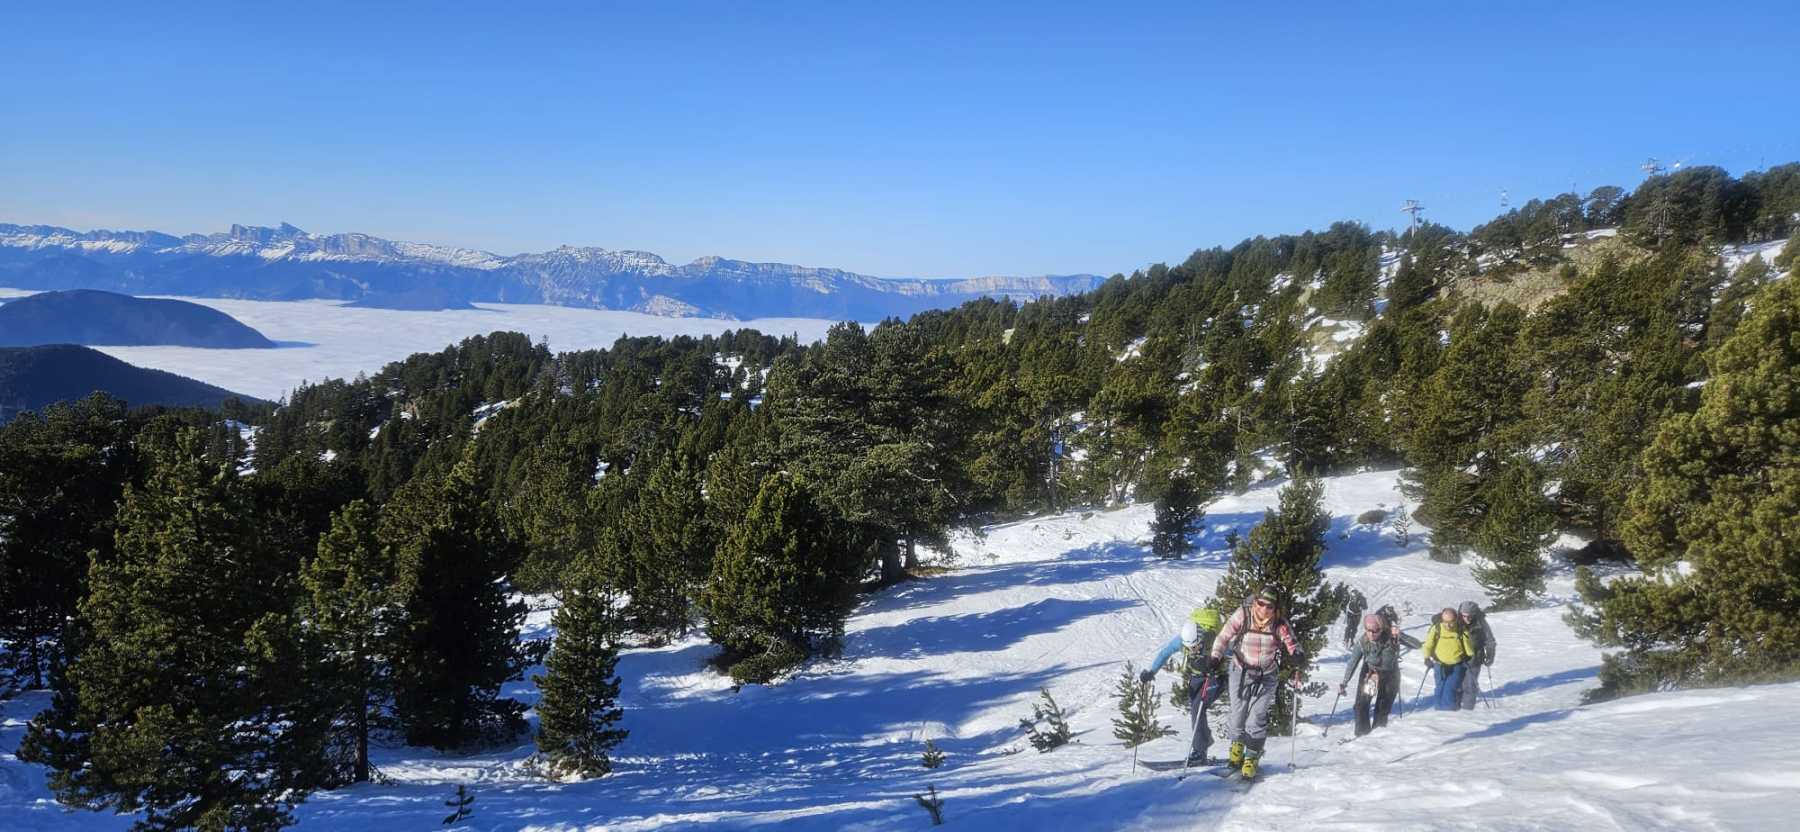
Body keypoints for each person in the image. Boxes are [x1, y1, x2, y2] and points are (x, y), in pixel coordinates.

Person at [1209, 588, 1303, 780]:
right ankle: (1236, 753)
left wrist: (1297, 655)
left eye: (1270, 606)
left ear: (1275, 608)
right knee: (1237, 714)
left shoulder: (1279, 623)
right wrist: (1215, 656)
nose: (1264, 609)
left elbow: (1292, 642)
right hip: (1240, 670)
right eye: (1261, 603)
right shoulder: (1243, 615)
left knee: (1256, 717)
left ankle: (1251, 757)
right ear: (1255, 602)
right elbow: (1223, 637)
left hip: (1266, 674)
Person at [1139, 607, 1227, 765]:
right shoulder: (1182, 640)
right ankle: (1202, 746)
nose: (1192, 650)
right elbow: (1165, 653)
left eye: (1195, 646)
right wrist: (1151, 671)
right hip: (1196, 677)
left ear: (1201, 637)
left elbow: (1234, 654)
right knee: (1195, 710)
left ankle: (1199, 751)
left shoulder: (1214, 639)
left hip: (1216, 677)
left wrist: (1218, 664)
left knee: (1198, 707)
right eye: (1189, 648)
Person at [1339, 613, 1400, 736]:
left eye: (1375, 630)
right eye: (1368, 630)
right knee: (1361, 705)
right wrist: (1344, 682)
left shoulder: (1391, 637)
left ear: (1381, 628)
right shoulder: (1363, 642)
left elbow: (1416, 644)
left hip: (1390, 675)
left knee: (1382, 707)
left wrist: (1399, 635)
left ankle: (1377, 736)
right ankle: (1362, 734)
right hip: (1371, 674)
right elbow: (1353, 662)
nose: (1371, 634)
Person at [1422, 607, 1475, 711]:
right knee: (1440, 687)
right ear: (1442, 620)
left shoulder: (1461, 629)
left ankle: (1448, 712)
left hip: (1457, 664)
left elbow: (1468, 646)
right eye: (1445, 622)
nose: (1448, 625)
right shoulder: (1436, 628)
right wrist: (1426, 658)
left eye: (1451, 622)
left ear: (1455, 620)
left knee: (1450, 687)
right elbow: (1428, 644)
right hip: (1439, 664)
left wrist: (1469, 655)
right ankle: (1439, 710)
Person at [1458, 601, 1496, 710]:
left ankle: (1467, 712)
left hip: (1475, 659)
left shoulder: (1481, 623)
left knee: (1470, 686)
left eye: (1470, 616)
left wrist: (1490, 655)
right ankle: (1454, 712)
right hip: (1457, 659)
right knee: (1457, 686)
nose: (1467, 619)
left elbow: (1490, 640)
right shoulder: (1455, 621)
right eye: (1464, 616)